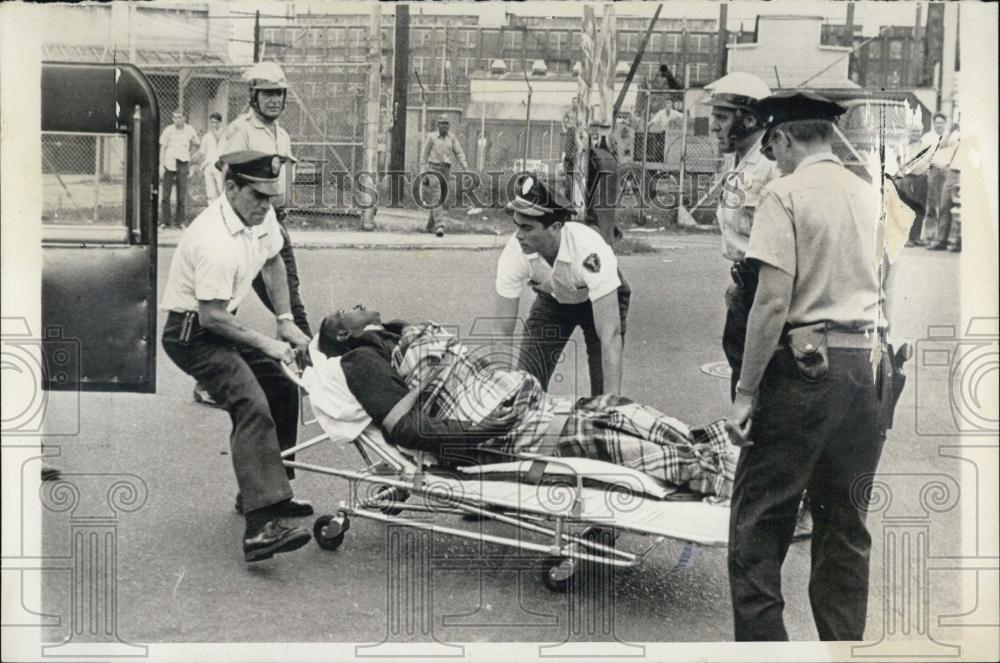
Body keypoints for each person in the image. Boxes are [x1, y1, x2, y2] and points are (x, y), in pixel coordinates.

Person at [725, 91, 891, 640]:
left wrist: (746, 392)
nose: (776, 161)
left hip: (805, 370)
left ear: (784, 137)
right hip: (864, 368)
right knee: (844, 529)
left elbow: (771, 302)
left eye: (775, 149)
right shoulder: (871, 194)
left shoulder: (786, 193)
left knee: (759, 524)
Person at [304, 306, 737, 499]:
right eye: (346, 310)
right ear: (344, 335)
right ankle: (730, 483)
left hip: (515, 405)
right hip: (498, 430)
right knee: (605, 437)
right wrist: (485, 430)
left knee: (615, 408)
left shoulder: (391, 334)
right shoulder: (361, 360)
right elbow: (407, 430)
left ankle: (717, 450)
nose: (357, 305)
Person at [160, 151, 314, 563]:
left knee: (282, 387)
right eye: (257, 197)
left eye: (271, 198)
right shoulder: (213, 239)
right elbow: (211, 318)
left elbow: (274, 260)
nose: (266, 207)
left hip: (221, 326)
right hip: (192, 335)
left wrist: (284, 319)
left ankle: (269, 494)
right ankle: (260, 528)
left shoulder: (258, 218)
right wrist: (267, 344)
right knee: (250, 404)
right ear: (230, 188)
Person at [195, 62, 312, 408]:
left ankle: (298, 365)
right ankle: (210, 381)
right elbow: (227, 177)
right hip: (246, 225)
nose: (274, 100)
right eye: (268, 94)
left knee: (286, 297)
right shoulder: (238, 131)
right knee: (226, 304)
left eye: (279, 93)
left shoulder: (282, 134)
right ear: (254, 96)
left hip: (273, 222)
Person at [494, 174, 628, 397]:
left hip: (598, 301)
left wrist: (611, 404)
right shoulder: (514, 253)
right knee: (525, 390)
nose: (518, 236)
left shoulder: (588, 251)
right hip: (554, 301)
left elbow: (610, 336)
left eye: (527, 228)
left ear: (555, 227)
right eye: (517, 225)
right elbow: (502, 331)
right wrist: (499, 398)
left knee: (604, 394)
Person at [702, 72, 781, 401]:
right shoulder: (739, 162)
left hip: (766, 286)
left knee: (759, 385)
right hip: (745, 285)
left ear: (749, 119)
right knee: (740, 371)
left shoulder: (770, 165)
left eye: (721, 117)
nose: (714, 127)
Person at [420, 114, 469, 237]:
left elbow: (459, 153)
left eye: (447, 123)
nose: (444, 126)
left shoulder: (452, 138)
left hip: (446, 169)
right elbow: (424, 156)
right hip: (433, 168)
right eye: (442, 123)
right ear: (438, 125)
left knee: (441, 197)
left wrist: (465, 167)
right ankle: (439, 226)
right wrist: (422, 173)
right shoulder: (431, 137)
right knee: (436, 195)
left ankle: (429, 226)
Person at [159, 110, 200, 229]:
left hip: (182, 162)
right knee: (166, 194)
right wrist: (161, 165)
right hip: (169, 162)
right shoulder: (168, 130)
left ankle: (180, 222)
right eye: (174, 117)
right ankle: (165, 222)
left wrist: (189, 156)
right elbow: (162, 148)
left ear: (184, 118)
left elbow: (197, 144)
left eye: (179, 117)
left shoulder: (190, 129)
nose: (177, 119)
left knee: (181, 194)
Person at [928, 123, 962, 252]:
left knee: (962, 209)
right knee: (944, 206)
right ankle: (941, 240)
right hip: (953, 171)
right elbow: (941, 145)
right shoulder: (957, 134)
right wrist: (950, 130)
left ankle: (960, 241)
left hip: (967, 172)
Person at [920, 112, 949, 246]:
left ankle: (942, 237)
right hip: (933, 171)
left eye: (941, 123)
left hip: (947, 172)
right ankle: (929, 236)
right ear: (933, 124)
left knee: (945, 205)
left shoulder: (950, 137)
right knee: (931, 205)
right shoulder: (927, 137)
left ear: (945, 124)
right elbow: (925, 156)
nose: (939, 125)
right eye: (936, 123)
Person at [198, 112, 225, 202]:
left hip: (220, 166)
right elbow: (202, 152)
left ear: (220, 123)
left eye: (216, 122)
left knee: (222, 190)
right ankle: (213, 213)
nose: (214, 125)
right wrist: (201, 166)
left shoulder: (225, 135)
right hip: (208, 165)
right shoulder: (206, 136)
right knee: (211, 193)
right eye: (212, 122)